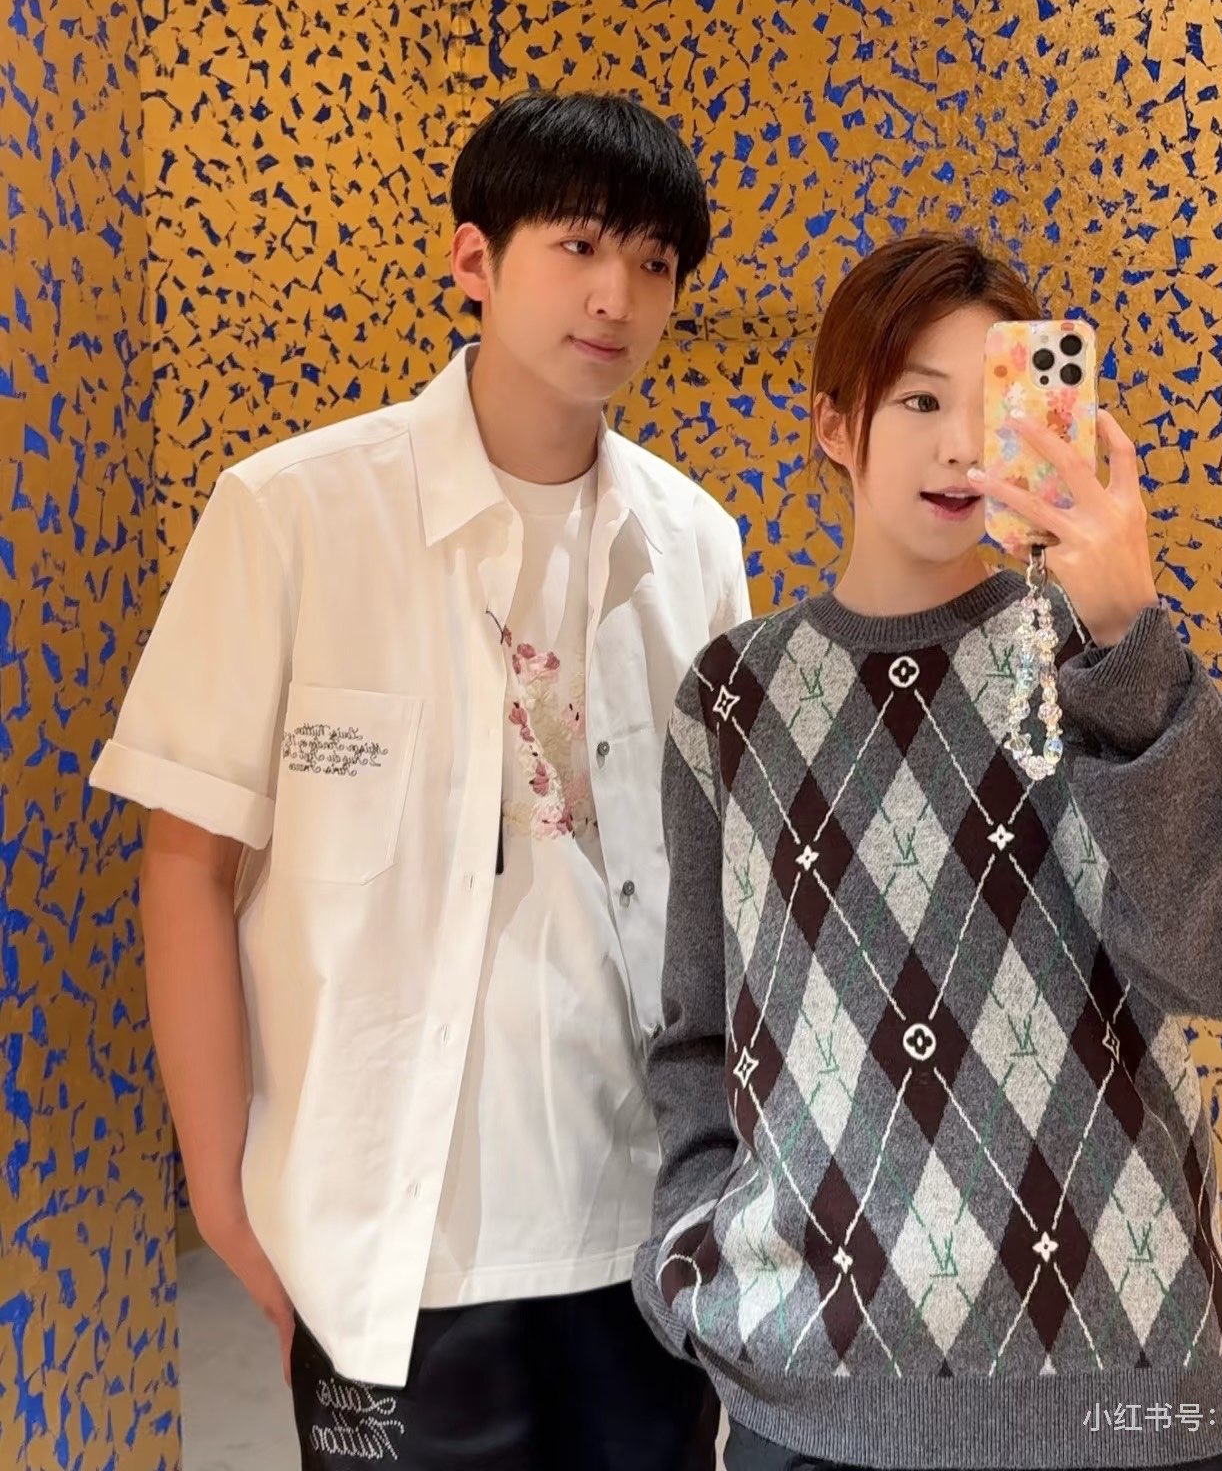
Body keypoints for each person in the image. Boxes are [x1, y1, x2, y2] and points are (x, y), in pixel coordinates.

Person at [92, 90, 749, 1470]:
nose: (617, 295)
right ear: (474, 261)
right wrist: (219, 1192)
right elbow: (186, 861)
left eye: (654, 263)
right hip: (388, 1241)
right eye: (579, 245)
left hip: (642, 1217)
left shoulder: (694, 543)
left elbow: (720, 891)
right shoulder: (291, 512)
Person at [635, 232, 1222, 1471]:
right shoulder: (735, 697)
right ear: (836, 425)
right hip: (814, 1396)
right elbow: (700, 1030)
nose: (960, 446)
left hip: (1124, 1393)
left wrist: (1127, 632)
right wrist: (696, 1262)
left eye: (990, 403)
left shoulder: (1102, 657)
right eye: (918, 400)